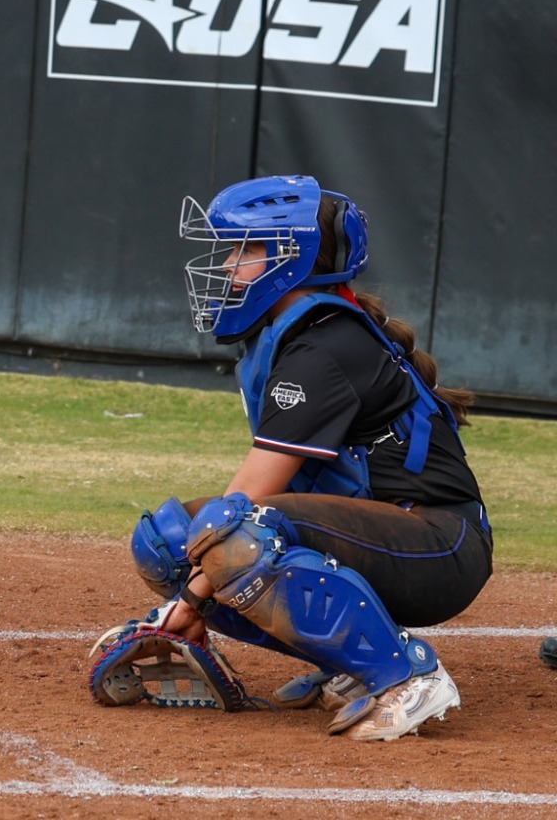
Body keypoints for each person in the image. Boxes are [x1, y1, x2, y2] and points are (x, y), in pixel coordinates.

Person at [123, 174, 490, 741]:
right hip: (387, 534)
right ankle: (348, 666)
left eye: (246, 250)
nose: (226, 267)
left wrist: (187, 603)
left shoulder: (325, 345)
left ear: (292, 260)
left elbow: (247, 499)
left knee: (230, 532)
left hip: (439, 546)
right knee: (167, 540)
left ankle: (405, 677)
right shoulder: (298, 333)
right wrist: (188, 589)